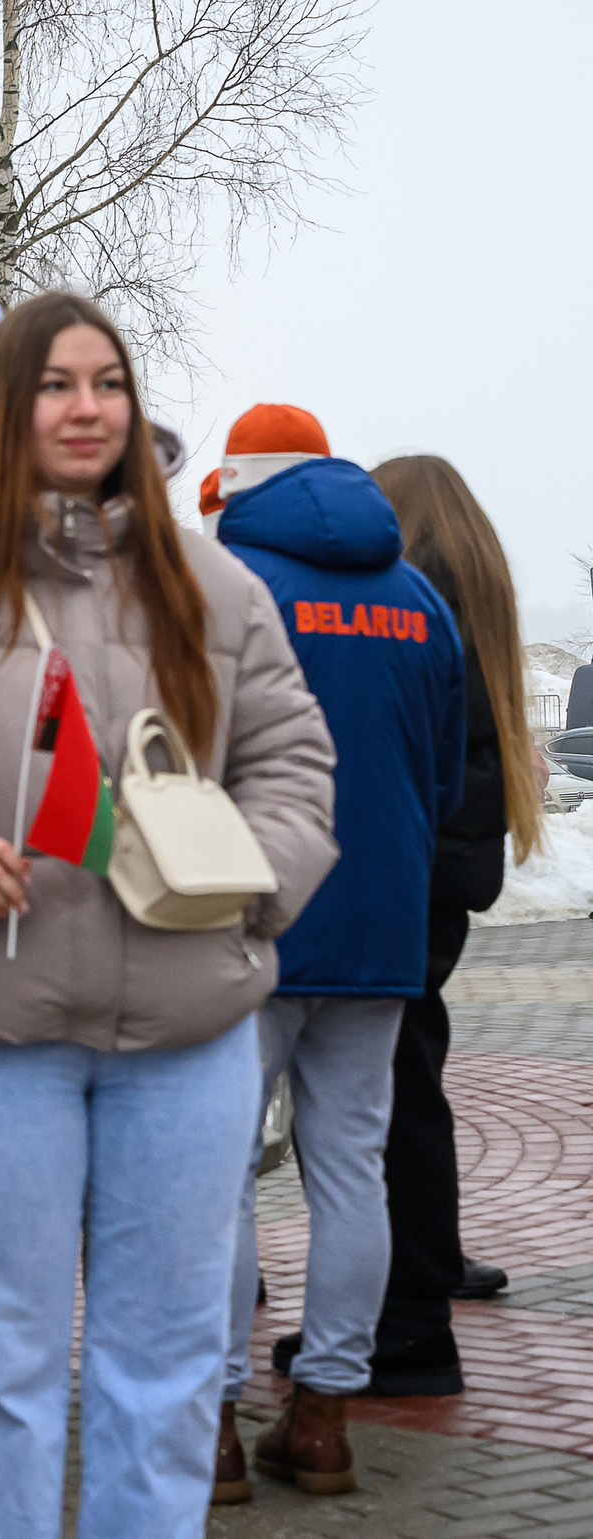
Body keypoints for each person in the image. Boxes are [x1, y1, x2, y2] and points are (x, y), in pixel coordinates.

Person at [0, 293, 335, 1538]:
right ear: (10, 404)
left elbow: (292, 762)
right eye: (55, 383)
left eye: (106, 381)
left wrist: (248, 890)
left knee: (162, 1364)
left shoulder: (212, 587)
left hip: (189, 1038)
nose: (86, 405)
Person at [205, 408, 464, 1498]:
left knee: (212, 1179)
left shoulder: (229, 588)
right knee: (350, 1169)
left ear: (238, 487)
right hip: (378, 923)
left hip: (247, 916)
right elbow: (442, 776)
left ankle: (209, 1424)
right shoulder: (419, 600)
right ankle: (322, 1420)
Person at [357, 456, 552, 1391]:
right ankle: (429, 1267)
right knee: (414, 1067)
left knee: (394, 1090)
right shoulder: (478, 582)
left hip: (411, 865)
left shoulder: (416, 589)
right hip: (450, 866)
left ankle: (414, 1300)